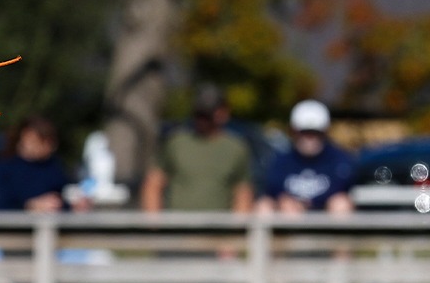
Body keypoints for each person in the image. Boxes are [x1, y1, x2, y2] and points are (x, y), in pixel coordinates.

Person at [141, 85, 253, 213]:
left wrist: (237, 230)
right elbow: (154, 183)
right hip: (178, 227)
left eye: (207, 115)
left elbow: (242, 192)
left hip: (219, 229)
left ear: (224, 113)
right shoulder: (176, 143)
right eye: (199, 114)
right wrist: (154, 225)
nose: (202, 120)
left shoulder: (236, 148)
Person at [258, 100, 355, 215]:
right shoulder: (281, 161)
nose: (309, 138)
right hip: (288, 217)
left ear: (324, 133)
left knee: (341, 204)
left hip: (325, 216)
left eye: (315, 133)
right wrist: (286, 201)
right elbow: (273, 189)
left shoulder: (340, 161)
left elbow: (342, 188)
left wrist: (307, 203)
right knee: (264, 206)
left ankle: (337, 234)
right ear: (294, 132)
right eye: (304, 132)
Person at [0, 115, 86, 212]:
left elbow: (60, 198)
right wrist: (30, 206)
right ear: (25, 138)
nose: (50, 147)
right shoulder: (7, 168)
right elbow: (4, 205)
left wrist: (73, 206)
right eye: (43, 141)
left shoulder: (54, 166)